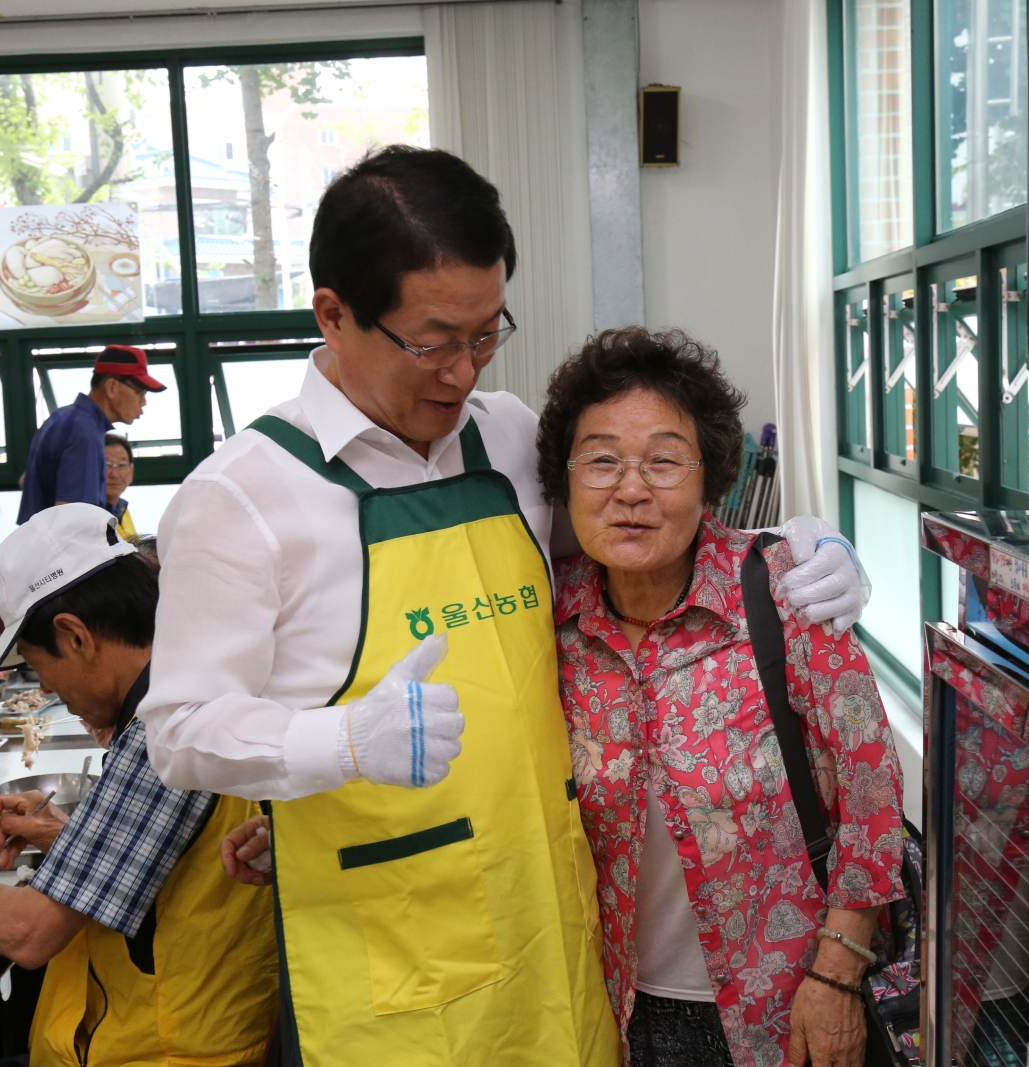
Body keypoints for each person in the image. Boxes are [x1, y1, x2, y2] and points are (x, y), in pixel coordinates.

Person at [139, 146, 868, 1066]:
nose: (461, 372)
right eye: (433, 340)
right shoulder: (242, 499)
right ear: (333, 313)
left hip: (558, 941)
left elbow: (637, 539)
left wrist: (801, 551)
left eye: (486, 334)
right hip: (395, 965)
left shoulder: (509, 435)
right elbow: (181, 729)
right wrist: (340, 743)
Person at [538, 328, 906, 1067]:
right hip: (610, 1007)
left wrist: (836, 976)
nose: (632, 489)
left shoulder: (783, 594)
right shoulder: (551, 623)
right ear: (566, 477)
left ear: (710, 479)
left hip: (788, 1005)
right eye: (602, 459)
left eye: (665, 460)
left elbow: (872, 796)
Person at [0, 504, 276, 1067]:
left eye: (31, 660)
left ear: (74, 635)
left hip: (162, 1050)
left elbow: (30, 933)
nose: (45, 683)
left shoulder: (162, 732)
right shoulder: (205, 689)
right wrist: (73, 836)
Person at [18, 346, 164, 524]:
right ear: (112, 387)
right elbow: (72, 520)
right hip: (60, 550)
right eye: (140, 392)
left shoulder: (61, 418)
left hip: (35, 544)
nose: (144, 402)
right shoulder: (84, 432)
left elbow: (25, 481)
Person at [104, 434, 138, 540]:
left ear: (131, 471)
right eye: (106, 465)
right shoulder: (88, 513)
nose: (114, 474)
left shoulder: (123, 509)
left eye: (122, 465)